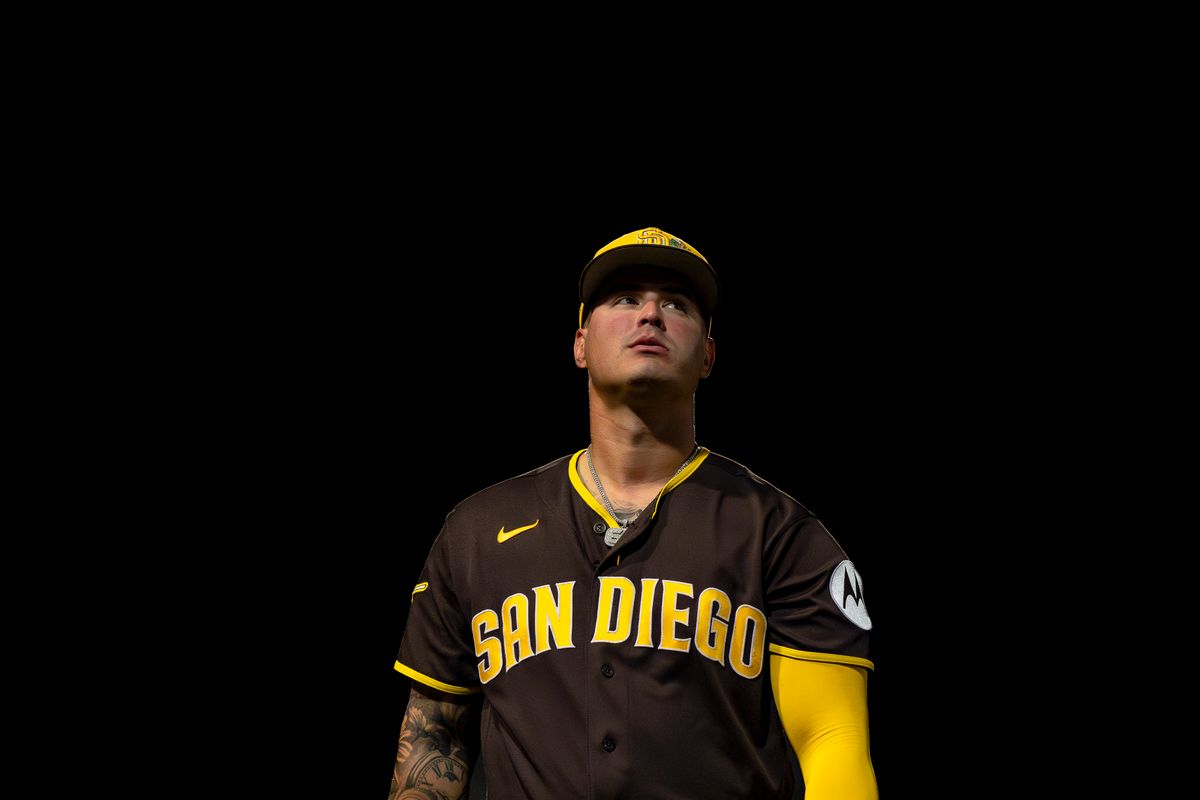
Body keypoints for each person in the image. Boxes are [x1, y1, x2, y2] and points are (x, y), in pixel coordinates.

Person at [388, 226, 877, 799]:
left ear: (708, 356)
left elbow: (831, 739)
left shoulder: (781, 532)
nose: (650, 314)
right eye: (625, 298)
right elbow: (435, 739)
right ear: (579, 344)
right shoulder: (475, 531)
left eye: (677, 304)